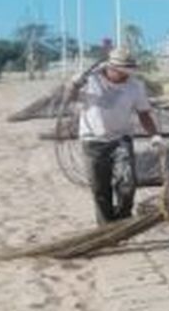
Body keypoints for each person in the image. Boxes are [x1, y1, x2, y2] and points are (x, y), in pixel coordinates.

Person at [67, 46, 161, 224]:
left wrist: (155, 135)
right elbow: (69, 98)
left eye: (129, 71)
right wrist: (73, 85)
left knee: (128, 184)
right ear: (111, 68)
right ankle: (106, 229)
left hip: (121, 140)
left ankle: (123, 219)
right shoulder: (90, 80)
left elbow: (144, 113)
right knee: (100, 189)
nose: (126, 75)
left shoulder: (135, 86)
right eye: (123, 72)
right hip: (92, 141)